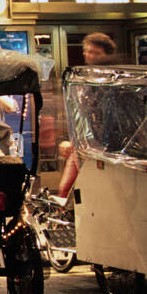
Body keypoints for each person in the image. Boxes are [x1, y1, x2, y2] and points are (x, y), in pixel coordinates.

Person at [57, 33, 120, 197]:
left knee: (92, 190)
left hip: (102, 147)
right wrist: (68, 138)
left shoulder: (114, 81)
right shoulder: (83, 78)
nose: (90, 56)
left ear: (106, 55)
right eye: (87, 51)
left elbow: (110, 118)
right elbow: (77, 114)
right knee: (66, 189)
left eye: (95, 53)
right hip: (82, 145)